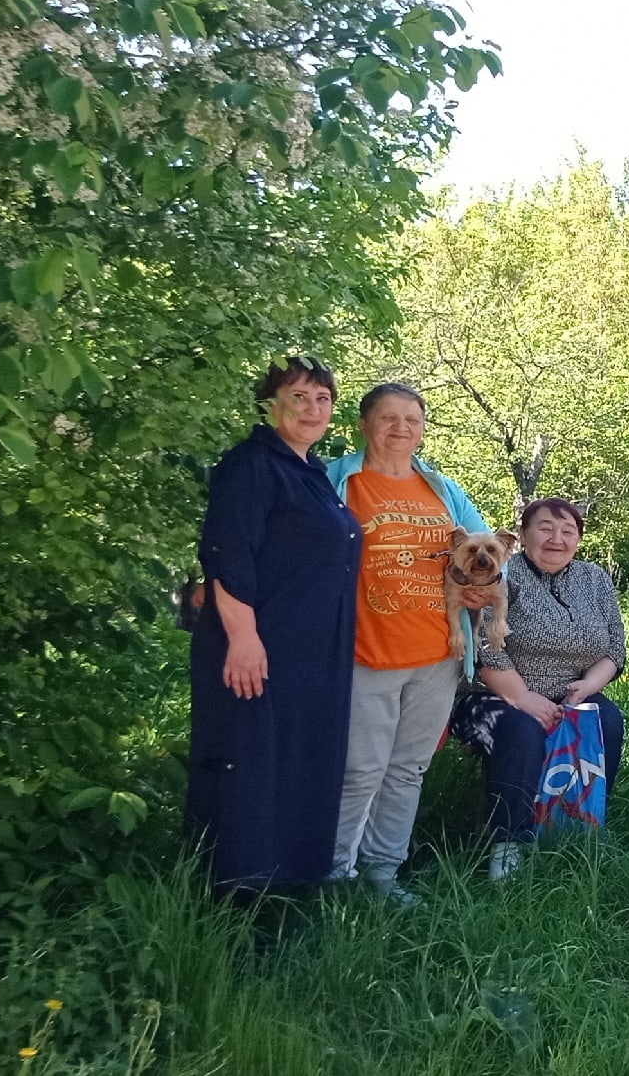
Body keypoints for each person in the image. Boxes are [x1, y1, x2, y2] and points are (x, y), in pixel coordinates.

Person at [188, 358, 362, 892]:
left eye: (322, 399)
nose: (313, 409)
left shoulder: (309, 472)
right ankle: (241, 896)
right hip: (261, 647)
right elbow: (227, 554)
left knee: (299, 763)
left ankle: (293, 884)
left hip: (311, 654)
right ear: (270, 404)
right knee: (253, 765)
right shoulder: (250, 466)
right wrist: (242, 638)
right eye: (298, 397)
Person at [324, 382, 493, 901]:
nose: (400, 428)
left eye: (412, 419)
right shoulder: (336, 480)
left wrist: (477, 592)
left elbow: (486, 556)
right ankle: (332, 874)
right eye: (388, 417)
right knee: (359, 770)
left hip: (439, 654)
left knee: (407, 770)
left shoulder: (442, 489)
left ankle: (382, 874)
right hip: (366, 649)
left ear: (422, 428)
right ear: (363, 424)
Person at [452, 498, 627, 881]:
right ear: (523, 535)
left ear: (579, 539)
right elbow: (481, 642)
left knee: (608, 721)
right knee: (523, 729)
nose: (556, 539)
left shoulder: (594, 578)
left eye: (568, 531)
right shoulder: (498, 572)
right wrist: (524, 698)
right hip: (491, 695)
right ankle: (508, 844)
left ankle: (581, 823)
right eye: (545, 528)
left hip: (570, 692)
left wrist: (588, 687)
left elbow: (615, 648)